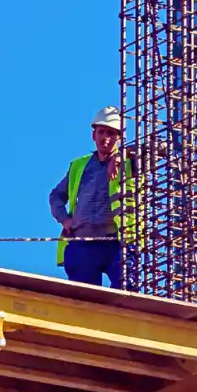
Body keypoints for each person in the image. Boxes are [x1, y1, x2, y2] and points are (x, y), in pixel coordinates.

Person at [51, 106, 134, 287]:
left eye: (111, 133)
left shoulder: (131, 163)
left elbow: (160, 147)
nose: (105, 138)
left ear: (119, 138)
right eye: (101, 132)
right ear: (93, 135)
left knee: (127, 292)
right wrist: (65, 220)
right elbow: (56, 196)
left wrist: (122, 155)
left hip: (117, 242)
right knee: (84, 299)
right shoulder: (80, 166)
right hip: (83, 244)